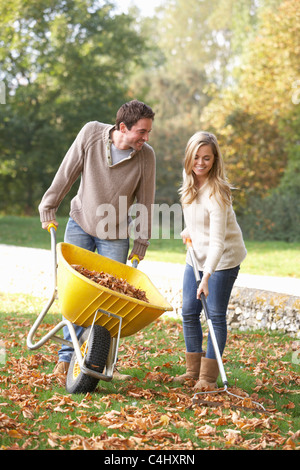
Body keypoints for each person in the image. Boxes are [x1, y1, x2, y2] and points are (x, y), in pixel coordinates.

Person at [39, 100, 156, 379]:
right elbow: (67, 172)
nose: (146, 138)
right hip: (80, 223)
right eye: (141, 132)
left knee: (108, 304)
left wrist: (141, 242)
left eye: (149, 132)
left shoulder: (146, 156)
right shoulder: (91, 133)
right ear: (123, 127)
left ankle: (97, 362)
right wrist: (48, 206)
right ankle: (66, 360)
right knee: (74, 297)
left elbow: (146, 202)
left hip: (114, 236)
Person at [173, 131, 247, 390]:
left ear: (215, 160)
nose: (201, 163)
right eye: (196, 157)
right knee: (189, 312)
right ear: (189, 158)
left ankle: (207, 378)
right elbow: (195, 216)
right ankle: (193, 371)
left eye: (207, 158)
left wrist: (206, 277)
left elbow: (218, 243)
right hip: (196, 255)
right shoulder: (190, 182)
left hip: (222, 259)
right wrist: (189, 230)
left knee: (214, 315)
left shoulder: (218, 193)